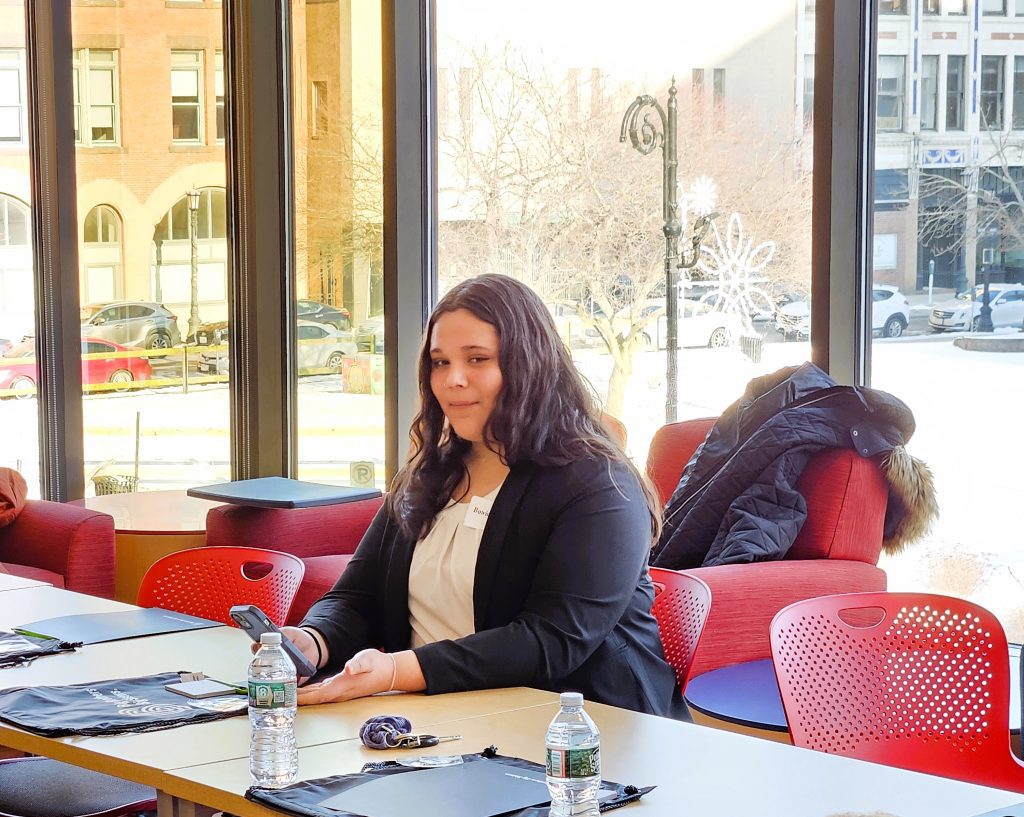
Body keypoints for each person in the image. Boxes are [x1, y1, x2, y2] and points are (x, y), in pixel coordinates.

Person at [286, 274, 685, 717]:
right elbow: (357, 598)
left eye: (477, 359)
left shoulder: (598, 483)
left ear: (529, 364)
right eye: (439, 362)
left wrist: (398, 671)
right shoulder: (427, 472)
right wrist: (312, 642)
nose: (452, 380)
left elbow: (552, 641)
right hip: (439, 723)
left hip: (584, 735)